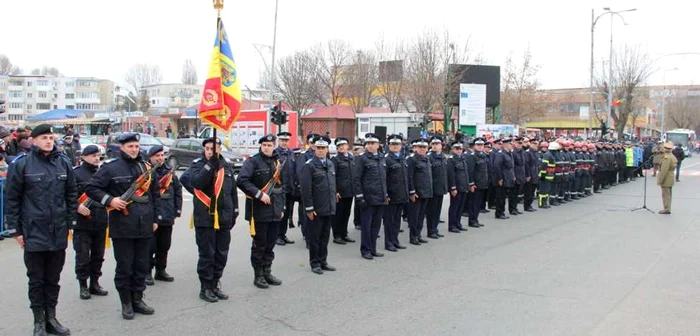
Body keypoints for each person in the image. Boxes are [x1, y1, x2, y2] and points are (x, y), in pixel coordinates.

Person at [5, 124, 78, 336]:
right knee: (37, 279)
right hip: (33, 230)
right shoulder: (22, 165)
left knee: (53, 279)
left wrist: (70, 223)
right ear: (34, 140)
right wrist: (16, 231)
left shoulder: (63, 164)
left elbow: (71, 195)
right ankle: (38, 321)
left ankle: (52, 318)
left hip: (58, 231)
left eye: (51, 137)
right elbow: (12, 199)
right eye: (44, 137)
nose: (49, 141)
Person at [86, 133, 161, 320]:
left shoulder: (146, 167)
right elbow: (92, 188)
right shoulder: (110, 168)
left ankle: (138, 299)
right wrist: (111, 200)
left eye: (136, 146)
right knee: (125, 267)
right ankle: (126, 302)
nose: (134, 149)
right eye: (130, 146)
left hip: (144, 225)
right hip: (123, 226)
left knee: (141, 266)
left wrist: (155, 219)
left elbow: (154, 194)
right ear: (122, 148)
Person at [181, 137, 239, 302]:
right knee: (207, 254)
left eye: (214, 148)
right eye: (208, 148)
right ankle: (205, 288)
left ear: (220, 149)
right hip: (205, 218)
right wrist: (209, 165)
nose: (211, 151)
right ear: (204, 150)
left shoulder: (225, 166)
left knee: (221, 254)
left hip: (224, 217)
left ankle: (215, 284)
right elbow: (197, 182)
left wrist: (235, 210)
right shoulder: (198, 165)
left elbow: (232, 190)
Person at [237, 134, 286, 289]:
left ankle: (267, 271)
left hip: (274, 210)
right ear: (260, 146)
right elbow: (242, 180)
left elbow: (280, 187)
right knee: (260, 244)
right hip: (258, 210)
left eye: (269, 145)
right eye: (264, 145)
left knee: (270, 244)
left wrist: (282, 207)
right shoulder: (253, 162)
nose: (266, 147)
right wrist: (259, 194)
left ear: (273, 146)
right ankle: (258, 275)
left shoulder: (277, 162)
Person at [72, 145, 110, 300]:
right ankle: (83, 286)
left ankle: (95, 283)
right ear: (84, 157)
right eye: (93, 155)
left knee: (98, 255)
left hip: (100, 218)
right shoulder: (76, 173)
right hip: (83, 222)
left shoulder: (103, 173)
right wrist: (77, 206)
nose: (96, 158)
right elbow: (67, 194)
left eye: (98, 155)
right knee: (82, 256)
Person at [299, 135, 337, 274]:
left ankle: (323, 260)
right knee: (315, 238)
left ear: (327, 149)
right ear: (314, 148)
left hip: (328, 207)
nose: (321, 150)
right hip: (316, 208)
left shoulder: (330, 164)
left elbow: (332, 185)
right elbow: (306, 189)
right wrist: (309, 208)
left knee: (325, 237)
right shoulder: (309, 166)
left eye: (324, 148)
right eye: (319, 148)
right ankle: (314, 263)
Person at [146, 145, 182, 285]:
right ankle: (147, 272)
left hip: (167, 214)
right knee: (150, 246)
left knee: (164, 245)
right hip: (152, 215)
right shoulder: (146, 171)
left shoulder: (169, 172)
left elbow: (178, 191)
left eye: (162, 155)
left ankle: (161, 270)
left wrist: (177, 210)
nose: (160, 158)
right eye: (157, 156)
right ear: (150, 157)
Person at [353, 133, 388, 260]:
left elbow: (384, 178)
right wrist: (360, 197)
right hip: (367, 198)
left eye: (373, 143)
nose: (370, 146)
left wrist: (386, 195)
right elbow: (356, 179)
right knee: (366, 227)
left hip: (380, 197)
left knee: (376, 226)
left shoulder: (382, 158)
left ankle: (373, 248)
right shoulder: (362, 159)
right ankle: (365, 250)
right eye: (368, 143)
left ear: (378, 145)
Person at [383, 134, 409, 251]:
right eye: (392, 144)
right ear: (389, 145)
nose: (395, 146)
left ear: (401, 145)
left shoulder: (403, 158)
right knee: (389, 221)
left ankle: (395, 240)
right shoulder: (386, 159)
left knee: (397, 220)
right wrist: (386, 194)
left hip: (401, 194)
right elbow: (383, 179)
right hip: (391, 195)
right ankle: (389, 243)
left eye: (397, 144)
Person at [330, 137, 357, 245]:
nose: (341, 147)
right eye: (339, 146)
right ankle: (337, 235)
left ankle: (344, 233)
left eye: (343, 145)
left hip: (349, 191)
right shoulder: (335, 160)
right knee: (338, 215)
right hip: (339, 192)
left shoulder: (351, 158)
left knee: (346, 213)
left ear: (347, 146)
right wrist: (335, 191)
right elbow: (332, 177)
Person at [406, 138, 432, 245]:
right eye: (420, 147)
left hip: (425, 192)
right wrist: (412, 191)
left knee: (421, 216)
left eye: (424, 147)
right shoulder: (411, 159)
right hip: (416, 193)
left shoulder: (426, 159)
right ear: (415, 148)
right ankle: (413, 236)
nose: (422, 149)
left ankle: (418, 234)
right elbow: (409, 176)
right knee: (414, 216)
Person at [446, 141, 473, 233]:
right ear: (453, 149)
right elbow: (451, 175)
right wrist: (453, 188)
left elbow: (466, 173)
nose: (458, 150)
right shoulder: (451, 160)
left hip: (463, 186)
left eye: (460, 149)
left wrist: (468, 185)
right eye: (456, 149)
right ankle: (452, 225)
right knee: (454, 206)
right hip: (456, 187)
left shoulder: (463, 159)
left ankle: (458, 223)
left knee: (460, 207)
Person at [275, 131, 296, 246]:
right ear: (278, 141)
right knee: (280, 213)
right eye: (282, 140)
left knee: (287, 213)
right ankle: (277, 235)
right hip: (279, 189)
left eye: (286, 140)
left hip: (289, 188)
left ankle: (283, 234)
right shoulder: (275, 153)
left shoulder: (291, 153)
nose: (284, 142)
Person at [426, 135, 448, 238]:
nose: (435, 146)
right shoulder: (429, 157)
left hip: (441, 187)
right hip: (433, 188)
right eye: (433, 144)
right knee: (431, 211)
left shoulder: (443, 157)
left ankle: (435, 228)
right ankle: (431, 230)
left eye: (437, 144)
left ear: (441, 145)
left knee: (437, 211)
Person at [465, 138, 488, 227]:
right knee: (473, 203)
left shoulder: (483, 155)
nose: (480, 147)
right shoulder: (472, 156)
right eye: (478, 145)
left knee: (478, 203)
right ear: (474, 146)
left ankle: (476, 219)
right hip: (475, 184)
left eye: (481, 145)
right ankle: (472, 220)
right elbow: (470, 171)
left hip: (482, 183)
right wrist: (471, 183)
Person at [657, 142, 678, 215]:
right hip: (670, 177)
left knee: (665, 194)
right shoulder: (671, 156)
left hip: (666, 178)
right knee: (668, 194)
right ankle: (668, 208)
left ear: (666, 149)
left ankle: (666, 208)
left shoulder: (667, 158)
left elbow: (664, 170)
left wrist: (660, 180)